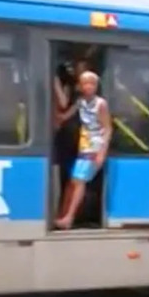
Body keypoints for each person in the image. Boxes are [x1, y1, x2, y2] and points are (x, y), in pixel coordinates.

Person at [54, 71, 111, 230]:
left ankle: (68, 218)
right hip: (84, 145)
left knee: (79, 181)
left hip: (94, 146)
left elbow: (107, 129)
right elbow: (65, 116)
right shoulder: (80, 102)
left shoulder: (101, 104)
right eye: (85, 83)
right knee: (74, 181)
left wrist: (101, 152)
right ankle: (64, 216)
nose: (88, 87)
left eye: (91, 83)